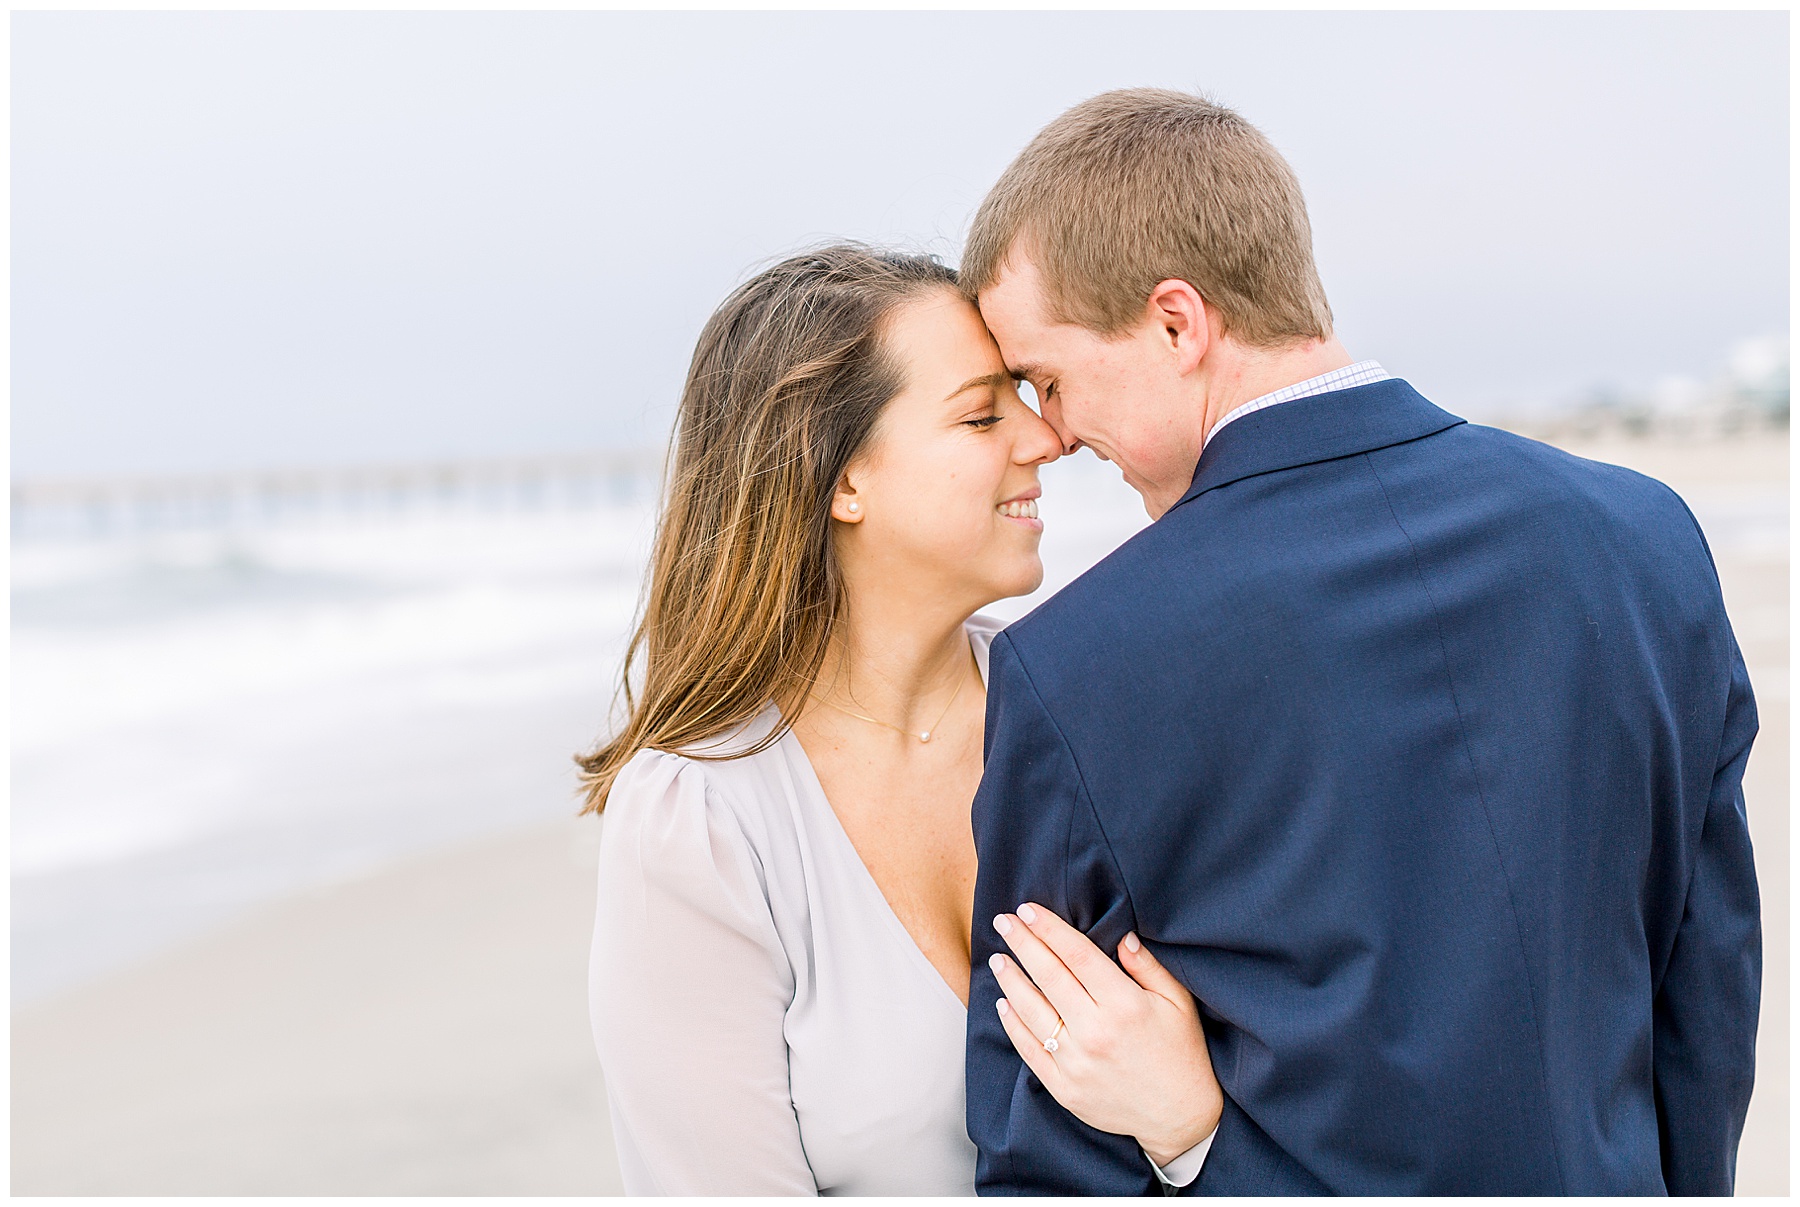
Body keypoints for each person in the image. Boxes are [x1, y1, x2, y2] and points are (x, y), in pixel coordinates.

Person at [959, 88, 1762, 1195]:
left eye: (1049, 380)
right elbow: (1705, 1001)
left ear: (1178, 323)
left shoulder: (1076, 669)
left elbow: (1053, 1164)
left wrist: (1204, 1147)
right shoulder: (1645, 540)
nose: (1051, 434)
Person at [581, 245, 1222, 1195]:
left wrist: (1190, 1129)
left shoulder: (1102, 710)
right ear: (842, 481)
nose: (1046, 440)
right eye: (979, 415)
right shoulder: (703, 820)